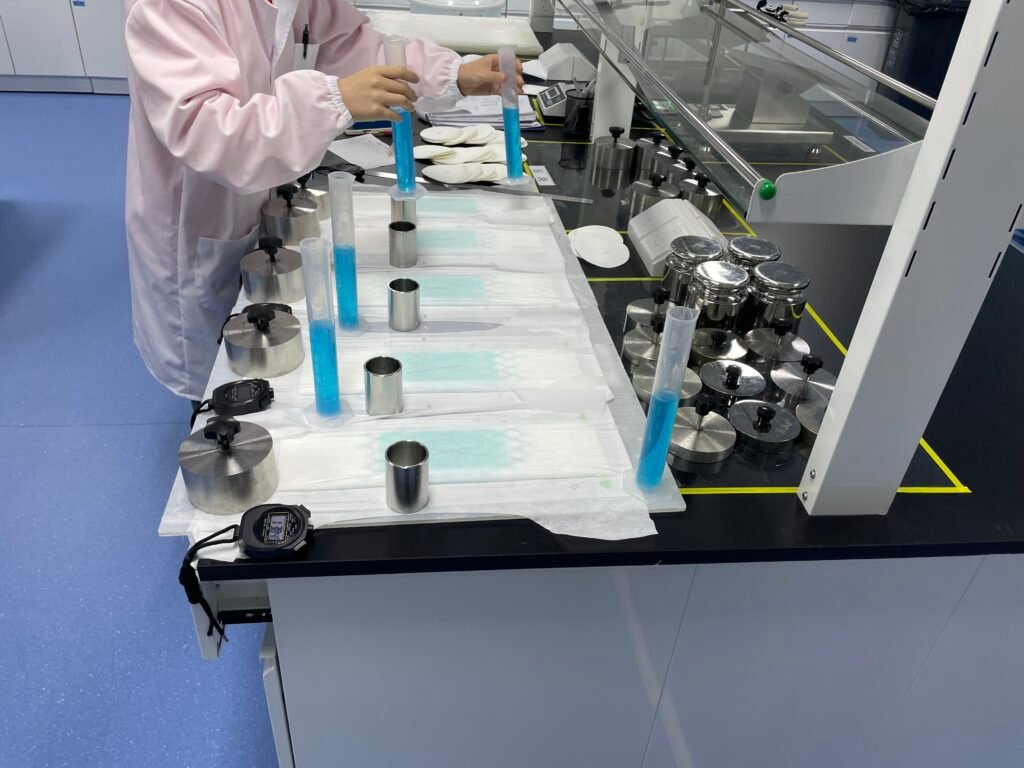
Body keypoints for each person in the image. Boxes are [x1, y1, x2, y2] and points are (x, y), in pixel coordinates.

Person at [123, 0, 522, 400]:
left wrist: (451, 74)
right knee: (221, 387)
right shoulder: (167, 6)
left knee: (262, 343)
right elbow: (208, 131)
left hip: (261, 187)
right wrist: (333, 101)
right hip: (196, 213)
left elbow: (350, 44)